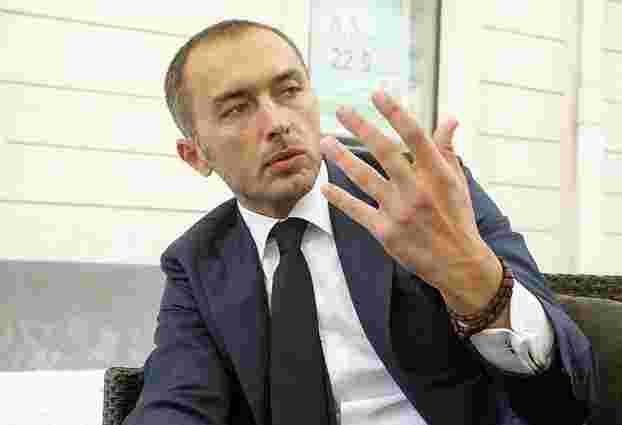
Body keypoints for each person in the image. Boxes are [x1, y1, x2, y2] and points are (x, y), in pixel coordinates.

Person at [124, 19, 597, 425]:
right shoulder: (198, 261)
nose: (277, 122)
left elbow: (569, 387)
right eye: (236, 108)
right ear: (195, 154)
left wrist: (479, 288)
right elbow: (177, 400)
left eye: (289, 91)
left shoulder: (423, 191)